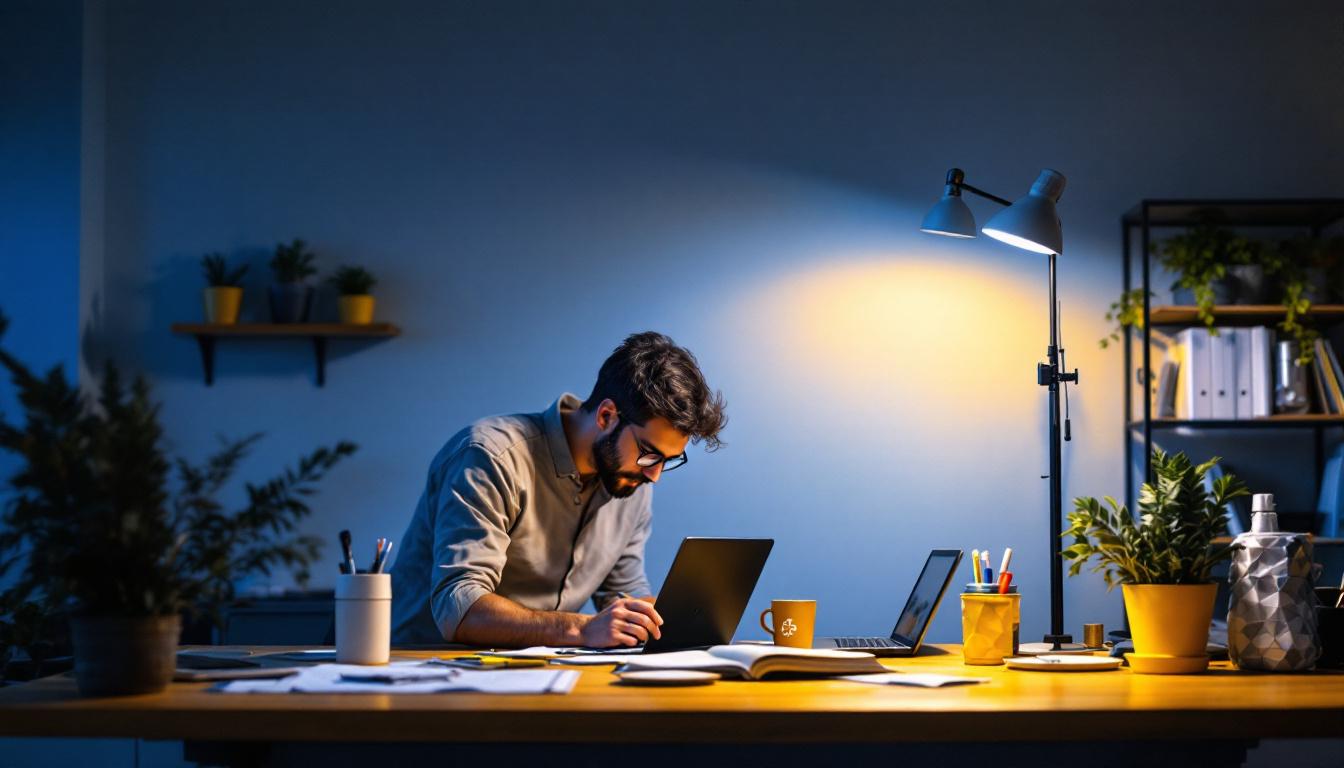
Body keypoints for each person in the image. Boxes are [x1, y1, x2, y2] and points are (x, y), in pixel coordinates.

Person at [390, 332, 727, 648]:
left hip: (543, 671)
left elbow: (622, 592)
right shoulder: (491, 457)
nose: (654, 475)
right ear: (607, 415)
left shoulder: (630, 479)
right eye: (649, 453)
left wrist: (663, 618)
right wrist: (581, 629)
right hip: (425, 672)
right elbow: (459, 606)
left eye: (668, 460)